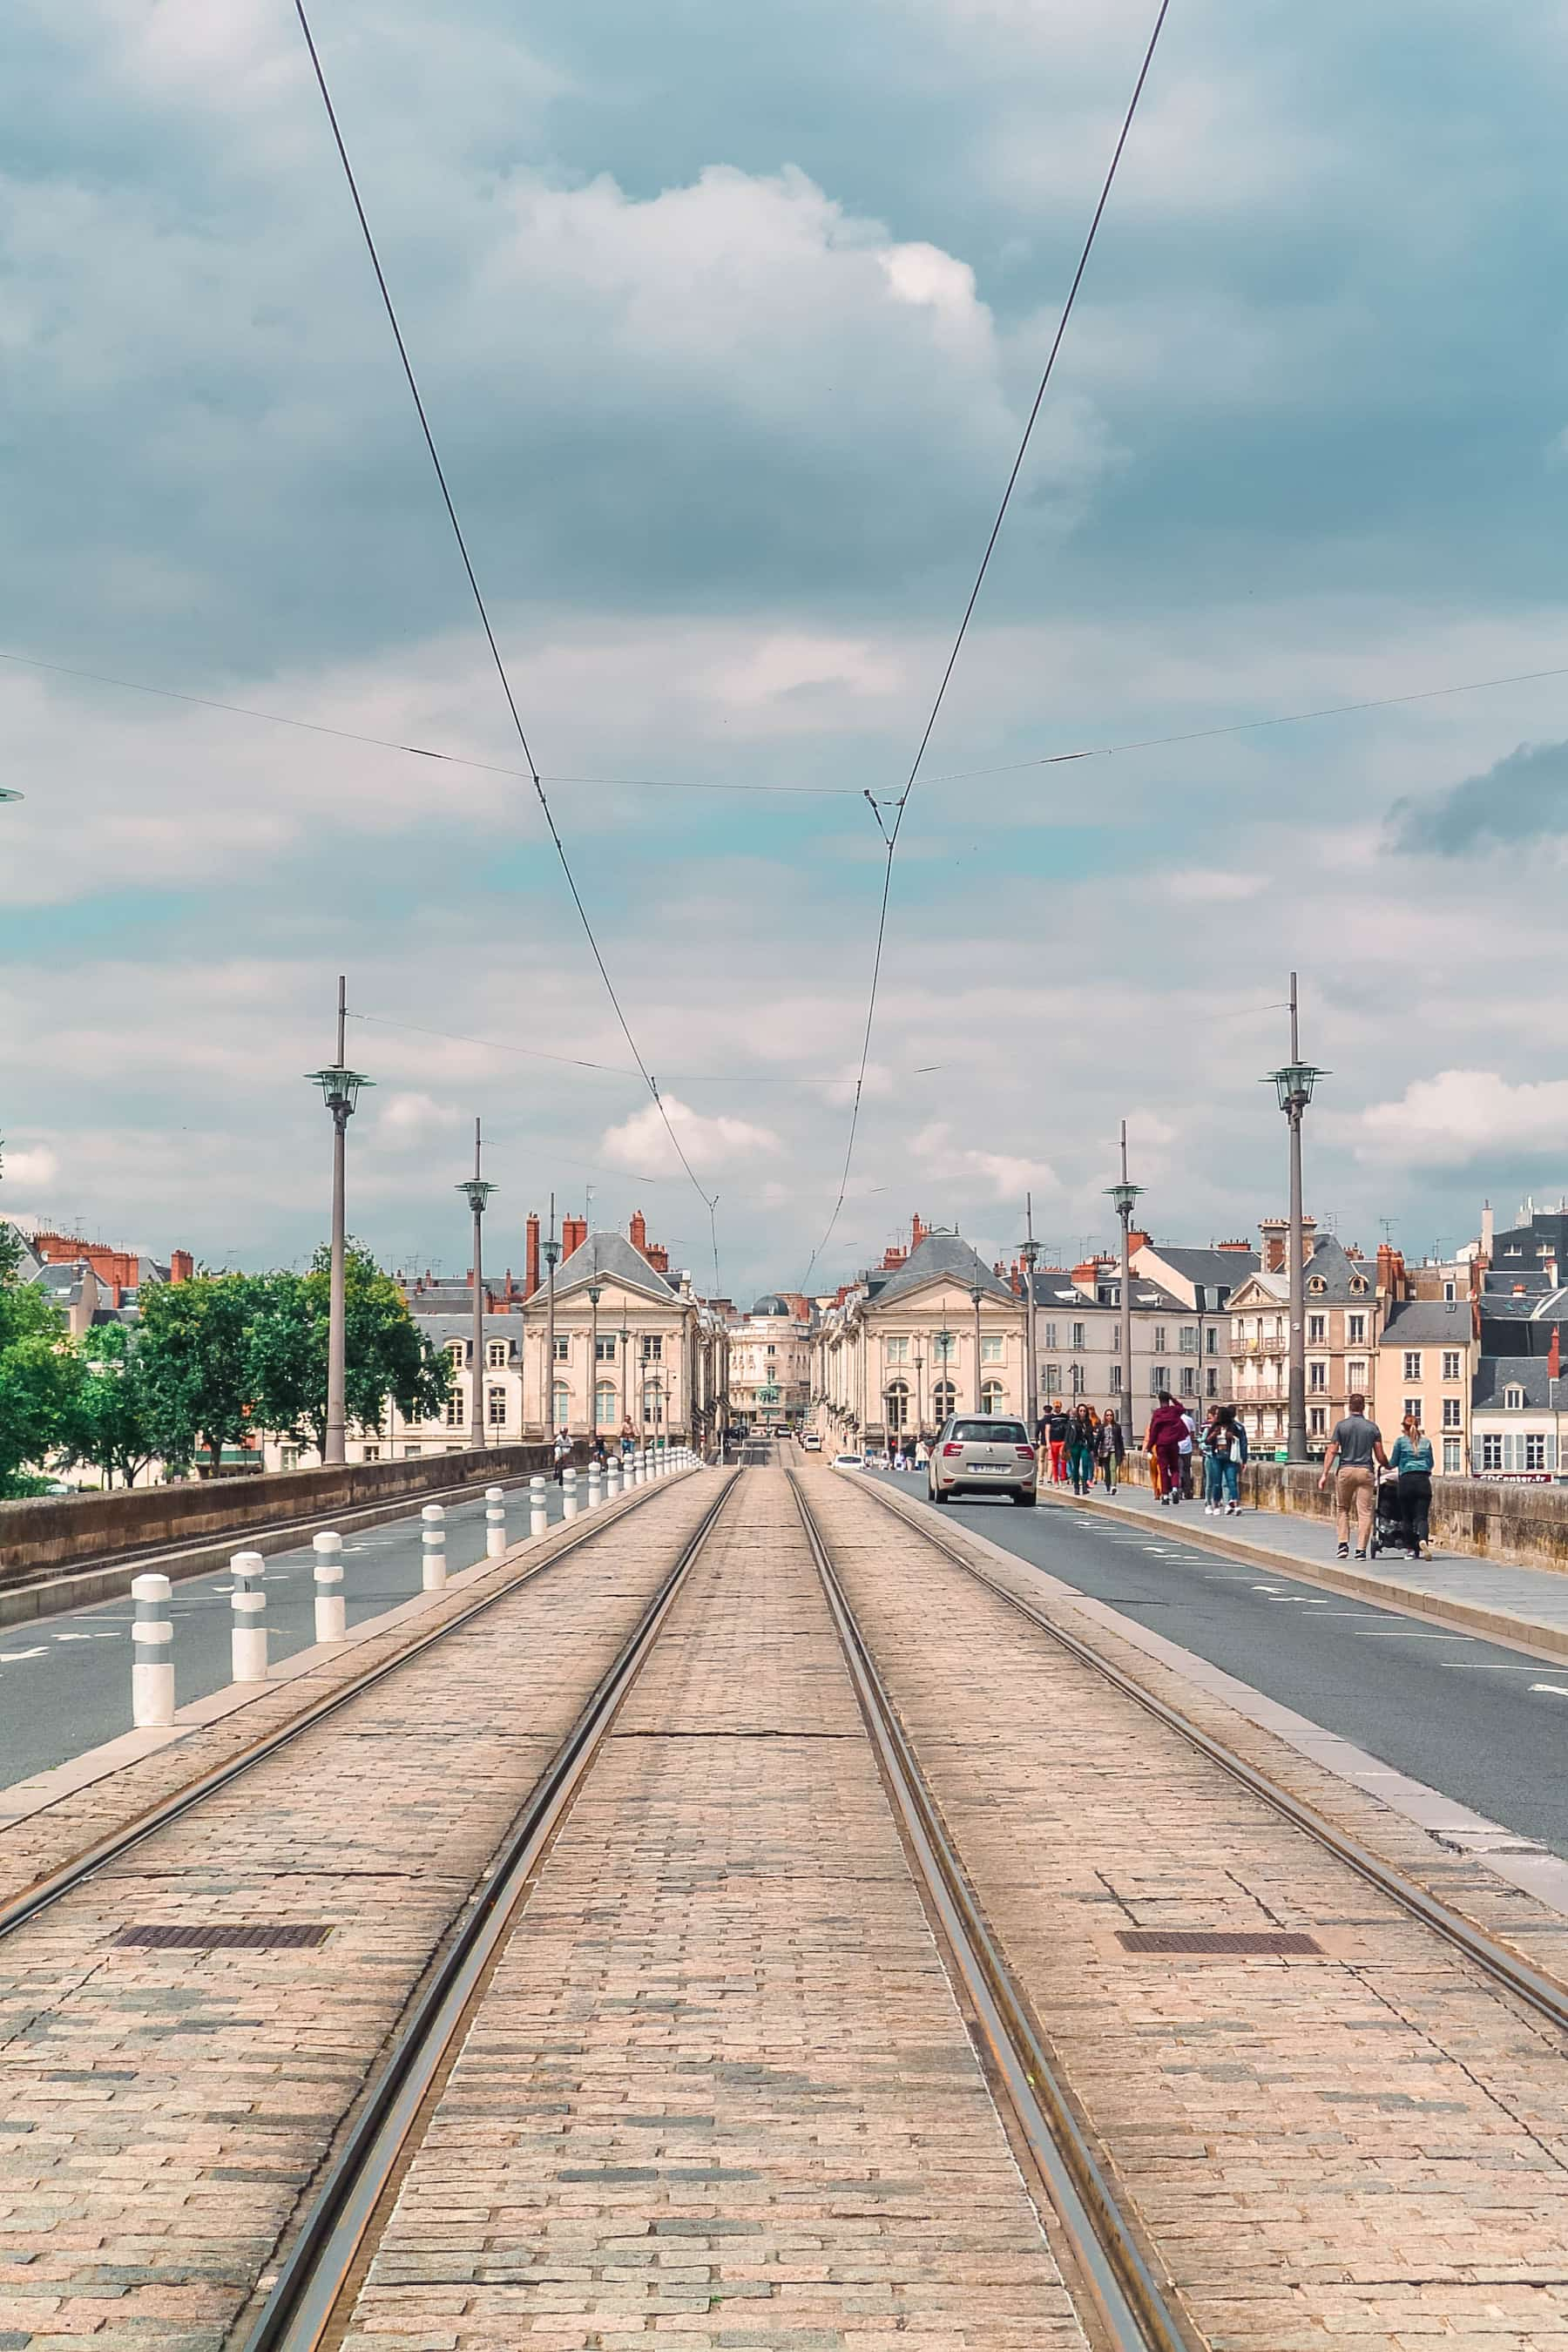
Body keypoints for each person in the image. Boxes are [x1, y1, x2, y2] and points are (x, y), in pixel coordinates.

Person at [1319, 1393, 1387, 1559]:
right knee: (1364, 1512)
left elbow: (1332, 1450)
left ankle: (1343, 1545)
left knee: (1343, 1508)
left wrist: (1324, 1474)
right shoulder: (1372, 1428)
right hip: (1365, 1471)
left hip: (1345, 1470)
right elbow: (1379, 1456)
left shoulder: (1341, 1426)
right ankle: (1361, 1550)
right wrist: (1388, 1464)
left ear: (1349, 1406)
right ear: (1364, 1407)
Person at [1390, 1412, 1434, 1556]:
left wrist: (1385, 1464)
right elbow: (1431, 1463)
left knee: (1407, 1517)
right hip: (1423, 1481)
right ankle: (1423, 1540)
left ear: (1404, 1427)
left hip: (1406, 1481)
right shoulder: (1426, 1442)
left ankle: (1410, 1549)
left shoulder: (1400, 1442)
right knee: (1422, 1517)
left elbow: (1393, 1463)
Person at [1146, 1391, 1188, 1504]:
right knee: (1175, 1468)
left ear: (1159, 1400)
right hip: (1174, 1444)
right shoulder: (1174, 1411)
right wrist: (1173, 1398)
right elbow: (1182, 1408)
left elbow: (1153, 1431)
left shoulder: (1158, 1413)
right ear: (1168, 1399)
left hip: (1161, 1445)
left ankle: (1165, 1495)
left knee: (1163, 1470)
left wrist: (1149, 1447)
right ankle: (1175, 1489)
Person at [1206, 1405, 1245, 1516]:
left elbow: (1240, 1441)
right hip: (1216, 1457)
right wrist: (1214, 1434)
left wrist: (1231, 1436)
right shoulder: (1214, 1427)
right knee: (1217, 1483)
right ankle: (1216, 1505)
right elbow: (1207, 1441)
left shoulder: (1234, 1427)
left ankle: (1236, 1505)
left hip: (1229, 1457)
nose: (1217, 1416)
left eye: (1219, 1414)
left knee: (1232, 1481)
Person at [1066, 1404, 1097, 1495]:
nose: (1082, 1413)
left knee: (1085, 1465)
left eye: (1084, 1411)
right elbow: (1067, 1436)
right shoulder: (1073, 1423)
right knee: (1075, 1467)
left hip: (1085, 1446)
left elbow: (1090, 1436)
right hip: (1075, 1446)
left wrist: (1092, 1448)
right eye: (1080, 1411)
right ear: (1078, 1412)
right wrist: (1066, 1447)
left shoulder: (1089, 1423)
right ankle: (1076, 1486)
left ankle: (1084, 1486)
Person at [1098, 1409, 1125, 1492]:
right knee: (1107, 1470)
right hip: (1104, 1450)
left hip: (1114, 1450)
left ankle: (1113, 1486)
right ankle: (1108, 1484)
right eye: (1107, 1415)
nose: (1109, 1417)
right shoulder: (1102, 1427)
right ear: (1105, 1417)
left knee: (1113, 1468)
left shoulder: (1117, 1427)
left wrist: (1122, 1452)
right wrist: (1095, 1451)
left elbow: (1120, 1440)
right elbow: (1098, 1440)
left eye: (1111, 1415)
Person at [1045, 1401, 1071, 1484]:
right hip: (1053, 1441)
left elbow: (1068, 1428)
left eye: (1058, 1407)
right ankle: (1056, 1479)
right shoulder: (1050, 1418)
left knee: (1063, 1460)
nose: (1057, 1409)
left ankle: (1063, 1478)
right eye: (1056, 1407)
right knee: (1055, 1461)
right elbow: (1047, 1430)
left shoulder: (1065, 1417)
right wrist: (1048, 1442)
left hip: (1062, 1441)